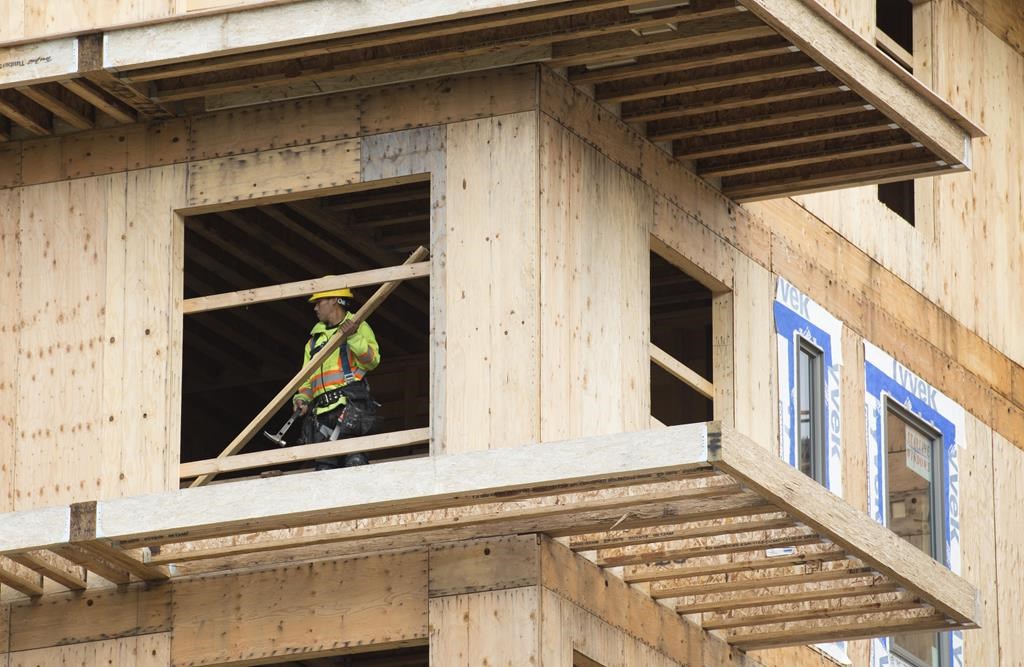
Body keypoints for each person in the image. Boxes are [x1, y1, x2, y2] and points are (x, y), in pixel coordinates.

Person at [292, 288, 380, 469]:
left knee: (355, 462)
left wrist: (353, 336)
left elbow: (372, 361)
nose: (315, 308)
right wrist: (302, 398)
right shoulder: (313, 342)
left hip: (350, 407)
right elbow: (306, 379)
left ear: (334, 300)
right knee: (324, 470)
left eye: (319, 302)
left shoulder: (359, 326)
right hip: (322, 414)